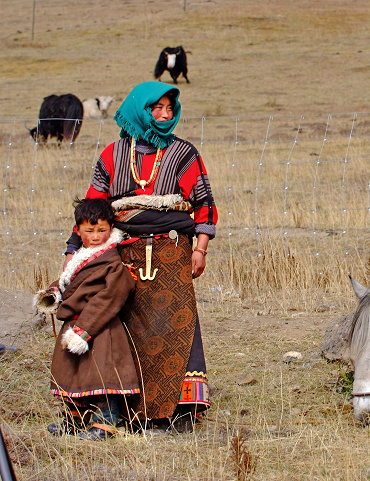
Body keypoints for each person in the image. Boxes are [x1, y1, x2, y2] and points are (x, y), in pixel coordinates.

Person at [63, 81, 218, 433]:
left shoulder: (183, 153)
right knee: (125, 330)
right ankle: (125, 410)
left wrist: (201, 247)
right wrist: (74, 249)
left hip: (172, 251)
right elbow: (92, 209)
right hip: (122, 254)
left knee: (176, 325)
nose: (164, 115)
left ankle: (178, 412)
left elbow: (204, 203)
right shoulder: (112, 155)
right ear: (139, 109)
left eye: (169, 109)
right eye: (156, 108)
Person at [36, 198, 138, 441]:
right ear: (78, 231)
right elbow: (69, 283)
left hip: (99, 328)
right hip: (75, 324)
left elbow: (110, 296)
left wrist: (84, 330)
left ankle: (105, 425)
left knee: (100, 378)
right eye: (89, 231)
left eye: (102, 230)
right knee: (72, 375)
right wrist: (54, 293)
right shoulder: (82, 256)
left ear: (111, 229)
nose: (95, 236)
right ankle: (73, 420)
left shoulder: (112, 262)